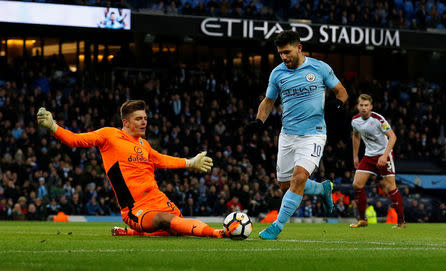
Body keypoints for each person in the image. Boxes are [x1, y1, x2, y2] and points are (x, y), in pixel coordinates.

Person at [37, 100, 236, 238]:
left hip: (158, 199)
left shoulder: (144, 144)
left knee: (176, 228)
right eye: (139, 119)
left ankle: (131, 233)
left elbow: (162, 160)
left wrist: (189, 162)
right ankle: (218, 232)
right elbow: (75, 140)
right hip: (135, 208)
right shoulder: (109, 136)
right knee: (167, 221)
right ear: (126, 122)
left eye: (145, 118)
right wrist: (53, 126)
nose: (144, 122)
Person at [244, 30, 348, 240]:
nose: (284, 57)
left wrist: (338, 105)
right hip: (288, 136)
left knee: (299, 178)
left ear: (299, 48)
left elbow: (341, 91)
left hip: (314, 135)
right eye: (281, 53)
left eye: (287, 52)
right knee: (285, 185)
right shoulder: (278, 73)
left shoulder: (319, 67)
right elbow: (268, 101)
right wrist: (258, 121)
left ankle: (277, 227)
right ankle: (322, 189)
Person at [350, 94, 406, 229]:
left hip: (383, 154)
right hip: (369, 156)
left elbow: (392, 137)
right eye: (361, 105)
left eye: (366, 105)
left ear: (371, 107)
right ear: (358, 106)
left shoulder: (378, 119)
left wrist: (385, 155)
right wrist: (355, 156)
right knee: (357, 184)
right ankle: (362, 219)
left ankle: (401, 222)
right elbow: (356, 136)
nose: (364, 108)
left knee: (391, 187)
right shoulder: (355, 121)